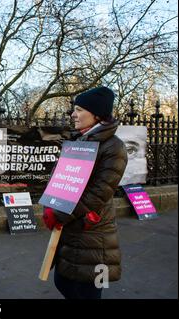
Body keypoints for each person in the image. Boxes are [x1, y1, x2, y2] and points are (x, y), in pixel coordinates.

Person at [42, 86, 128, 299]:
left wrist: (59, 214)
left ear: (96, 114)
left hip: (93, 234)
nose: (73, 114)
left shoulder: (114, 147)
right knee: (63, 283)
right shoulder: (77, 141)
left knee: (86, 292)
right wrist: (50, 205)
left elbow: (99, 193)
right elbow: (61, 180)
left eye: (79, 109)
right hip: (71, 230)